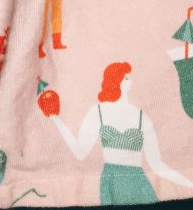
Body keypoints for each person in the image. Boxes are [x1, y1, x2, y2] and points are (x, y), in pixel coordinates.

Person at [47, 62, 193, 204]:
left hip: (138, 181)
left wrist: (187, 183)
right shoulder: (98, 112)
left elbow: (156, 163)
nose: (131, 81)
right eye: (127, 78)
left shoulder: (141, 116)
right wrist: (56, 119)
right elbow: (80, 152)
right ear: (117, 81)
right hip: (111, 181)